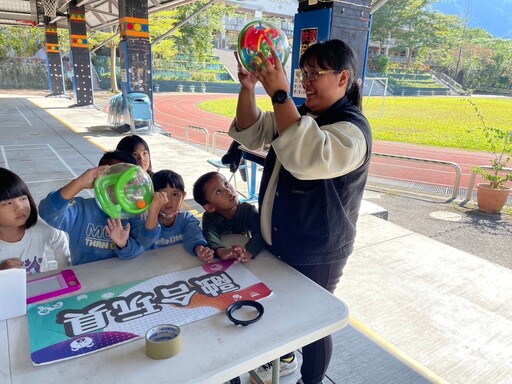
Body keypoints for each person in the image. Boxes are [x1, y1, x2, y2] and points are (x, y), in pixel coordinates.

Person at [229, 39, 372, 384]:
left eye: (315, 73)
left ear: (342, 78)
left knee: (313, 324)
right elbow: (252, 130)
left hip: (317, 249)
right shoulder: (305, 115)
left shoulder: (352, 129)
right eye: (303, 73)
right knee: (288, 315)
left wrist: (280, 95)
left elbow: (305, 157)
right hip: (284, 240)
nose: (305, 81)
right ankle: (283, 365)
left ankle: (312, 381)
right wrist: (248, 89)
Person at [38, 151, 145, 265]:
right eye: (116, 178)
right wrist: (79, 183)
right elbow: (48, 212)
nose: (121, 186)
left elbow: (142, 248)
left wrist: (124, 244)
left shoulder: (135, 215)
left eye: (128, 181)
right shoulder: (81, 210)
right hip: (84, 278)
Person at [133, 169, 214, 262]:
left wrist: (199, 248)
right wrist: (154, 211)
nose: (169, 200)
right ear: (151, 196)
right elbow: (145, 241)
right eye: (162, 195)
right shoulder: (143, 220)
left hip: (178, 267)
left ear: (183, 196)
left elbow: (194, 236)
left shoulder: (186, 219)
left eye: (175, 194)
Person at [0, 168, 70, 274]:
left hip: (42, 288)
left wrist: (66, 270)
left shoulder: (40, 228)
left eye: (23, 198)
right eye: (8, 203)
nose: (20, 207)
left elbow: (59, 239)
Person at [192, 171, 265, 262]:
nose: (228, 190)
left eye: (226, 184)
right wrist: (222, 252)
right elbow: (210, 235)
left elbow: (260, 233)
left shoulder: (248, 210)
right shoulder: (209, 217)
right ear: (210, 207)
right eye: (218, 191)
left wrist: (248, 251)